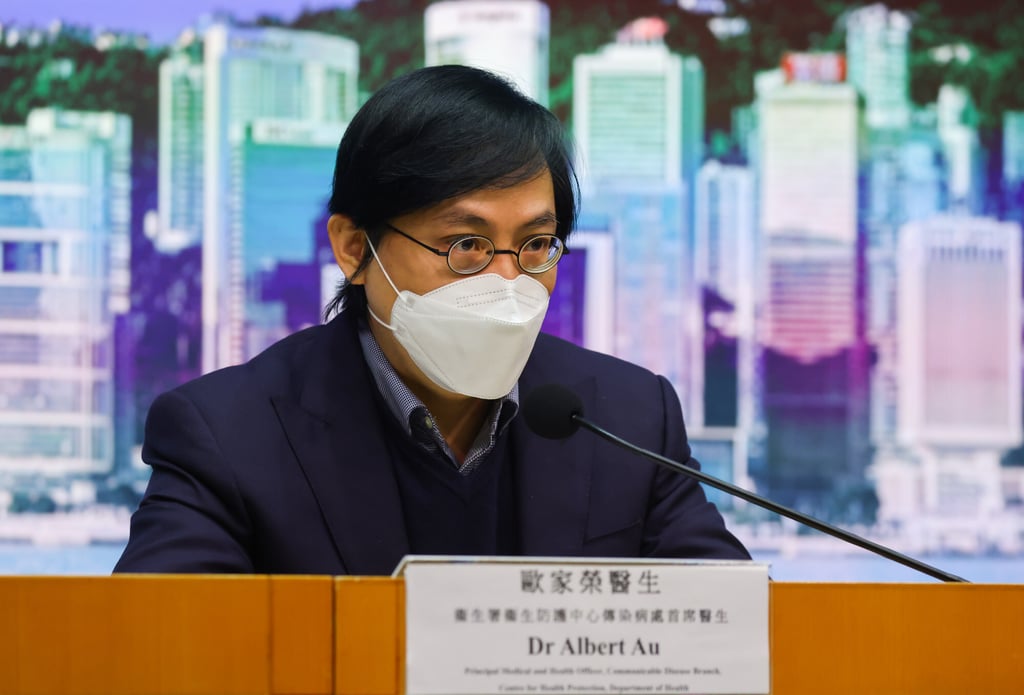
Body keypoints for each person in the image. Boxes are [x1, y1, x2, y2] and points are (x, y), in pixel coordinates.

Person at [114, 65, 749, 574]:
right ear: (354, 248)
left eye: (535, 245)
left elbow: (738, 633)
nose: (507, 282)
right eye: (466, 245)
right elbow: (158, 650)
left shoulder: (628, 417)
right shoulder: (228, 435)